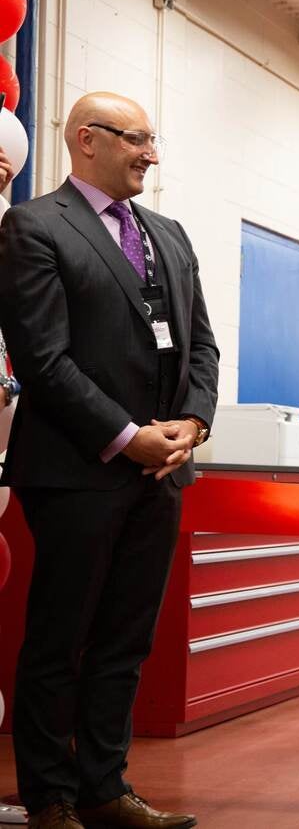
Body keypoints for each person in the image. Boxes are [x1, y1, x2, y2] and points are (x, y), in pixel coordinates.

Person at [0, 92, 219, 829]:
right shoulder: (33, 227)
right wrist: (129, 436)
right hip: (75, 471)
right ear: (86, 140)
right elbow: (44, 357)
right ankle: (51, 796)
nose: (151, 155)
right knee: (59, 640)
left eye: (154, 141)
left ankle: (104, 787)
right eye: (137, 140)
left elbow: (202, 346)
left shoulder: (171, 234)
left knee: (126, 640)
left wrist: (190, 423)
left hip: (161, 475)